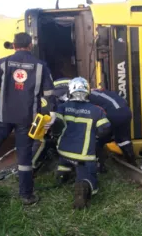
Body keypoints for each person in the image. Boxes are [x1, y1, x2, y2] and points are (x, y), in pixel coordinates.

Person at [0, 32, 56, 206]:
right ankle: (26, 196)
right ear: (30, 46)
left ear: (14, 46)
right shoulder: (40, 67)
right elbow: (50, 93)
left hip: (2, 118)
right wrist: (52, 112)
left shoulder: (3, 64)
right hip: (27, 119)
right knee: (24, 158)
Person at [52, 77, 111, 209]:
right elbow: (106, 128)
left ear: (70, 91)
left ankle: (63, 174)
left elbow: (57, 125)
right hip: (84, 156)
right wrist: (96, 135)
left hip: (63, 152)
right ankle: (84, 184)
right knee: (87, 174)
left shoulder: (63, 107)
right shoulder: (96, 110)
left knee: (65, 162)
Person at [89, 87, 137, 171]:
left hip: (113, 114)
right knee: (123, 139)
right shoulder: (103, 92)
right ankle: (132, 162)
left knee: (97, 138)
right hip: (126, 111)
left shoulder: (87, 97)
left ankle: (100, 166)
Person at [31, 77, 70, 174]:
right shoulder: (76, 90)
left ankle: (28, 166)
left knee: (39, 138)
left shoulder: (53, 86)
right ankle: (29, 167)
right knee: (41, 139)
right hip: (47, 110)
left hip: (40, 108)